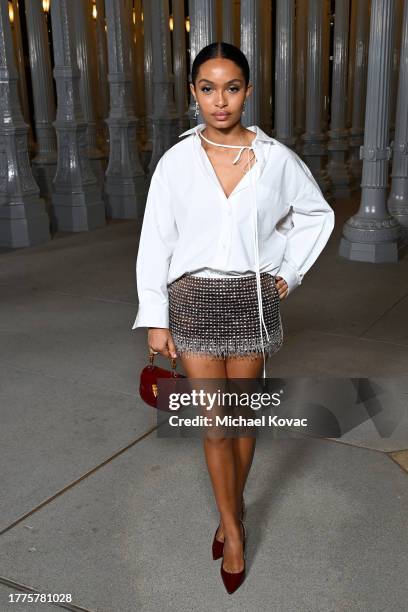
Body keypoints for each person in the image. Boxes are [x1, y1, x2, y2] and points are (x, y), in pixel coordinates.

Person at [132, 42, 335, 594]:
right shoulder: (176, 162)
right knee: (215, 425)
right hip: (192, 300)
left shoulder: (276, 159)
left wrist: (287, 275)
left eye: (231, 87)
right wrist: (157, 315)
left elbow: (317, 214)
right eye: (207, 88)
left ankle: (230, 509)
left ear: (248, 91)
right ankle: (234, 529)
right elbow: (156, 241)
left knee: (243, 422)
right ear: (193, 92)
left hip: (252, 298)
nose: (219, 101)